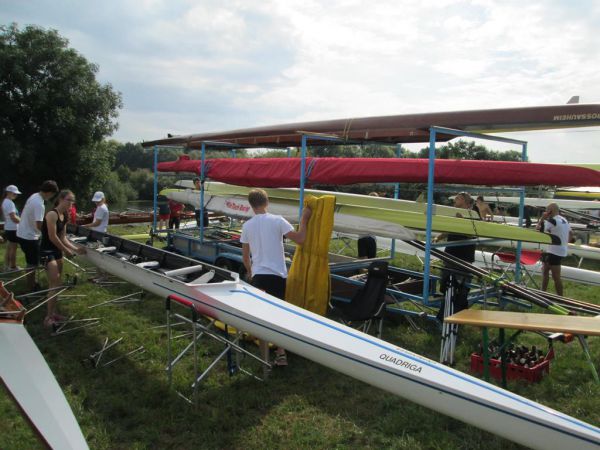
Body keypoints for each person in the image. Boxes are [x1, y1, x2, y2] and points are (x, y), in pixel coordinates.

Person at [241, 189, 312, 366]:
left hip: (259, 276)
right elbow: (301, 239)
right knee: (278, 315)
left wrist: (250, 272)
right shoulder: (277, 220)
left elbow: (245, 257)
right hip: (277, 276)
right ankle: (281, 354)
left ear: (251, 205)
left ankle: (263, 357)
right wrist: (304, 219)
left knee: (262, 316)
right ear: (267, 202)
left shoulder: (247, 226)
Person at [40, 190, 85, 327]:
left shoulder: (64, 215)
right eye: (69, 200)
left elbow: (63, 237)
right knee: (54, 283)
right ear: (60, 199)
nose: (71, 203)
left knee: (57, 284)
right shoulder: (52, 214)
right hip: (47, 251)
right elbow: (53, 237)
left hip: (57, 251)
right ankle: (48, 318)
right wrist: (67, 251)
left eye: (73, 201)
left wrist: (76, 249)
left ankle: (53, 313)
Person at [435, 192, 478, 321]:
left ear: (465, 202)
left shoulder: (473, 215)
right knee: (447, 287)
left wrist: (462, 220)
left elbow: (473, 235)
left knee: (461, 289)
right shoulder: (454, 214)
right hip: (450, 255)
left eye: (458, 198)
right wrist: (438, 237)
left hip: (464, 257)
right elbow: (449, 228)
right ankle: (445, 317)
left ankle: (456, 317)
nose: (455, 201)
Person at [17, 180, 59, 290]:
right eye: (53, 194)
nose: (51, 197)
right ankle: (31, 286)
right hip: (29, 237)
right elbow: (39, 225)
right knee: (32, 264)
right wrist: (50, 234)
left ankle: (33, 283)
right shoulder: (39, 204)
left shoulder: (34, 196)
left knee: (31, 261)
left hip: (22, 233)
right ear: (49, 192)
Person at [536, 202, 572, 296]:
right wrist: (564, 243)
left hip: (554, 251)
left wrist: (542, 219)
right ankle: (542, 293)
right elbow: (571, 233)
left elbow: (538, 229)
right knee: (545, 270)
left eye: (547, 210)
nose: (546, 212)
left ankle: (560, 297)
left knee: (556, 277)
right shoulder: (564, 219)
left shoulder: (552, 220)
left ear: (550, 211)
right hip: (559, 250)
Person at [2, 185, 22, 271]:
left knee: (9, 247)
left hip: (8, 228)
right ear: (8, 193)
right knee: (13, 248)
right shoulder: (9, 203)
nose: (16, 195)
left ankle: (6, 266)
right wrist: (23, 222)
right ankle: (13, 267)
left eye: (16, 194)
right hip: (13, 229)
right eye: (14, 194)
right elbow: (14, 218)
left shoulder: (5, 201)